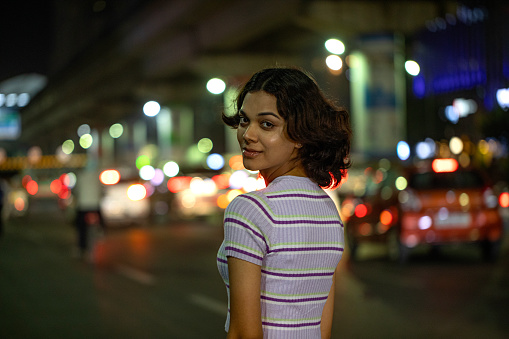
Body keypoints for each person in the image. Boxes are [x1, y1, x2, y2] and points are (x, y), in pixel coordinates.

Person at [217, 67, 352, 339]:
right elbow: (322, 328)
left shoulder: (249, 210)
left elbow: (245, 332)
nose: (248, 135)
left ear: (301, 134)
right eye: (244, 120)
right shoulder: (328, 210)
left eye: (267, 124)